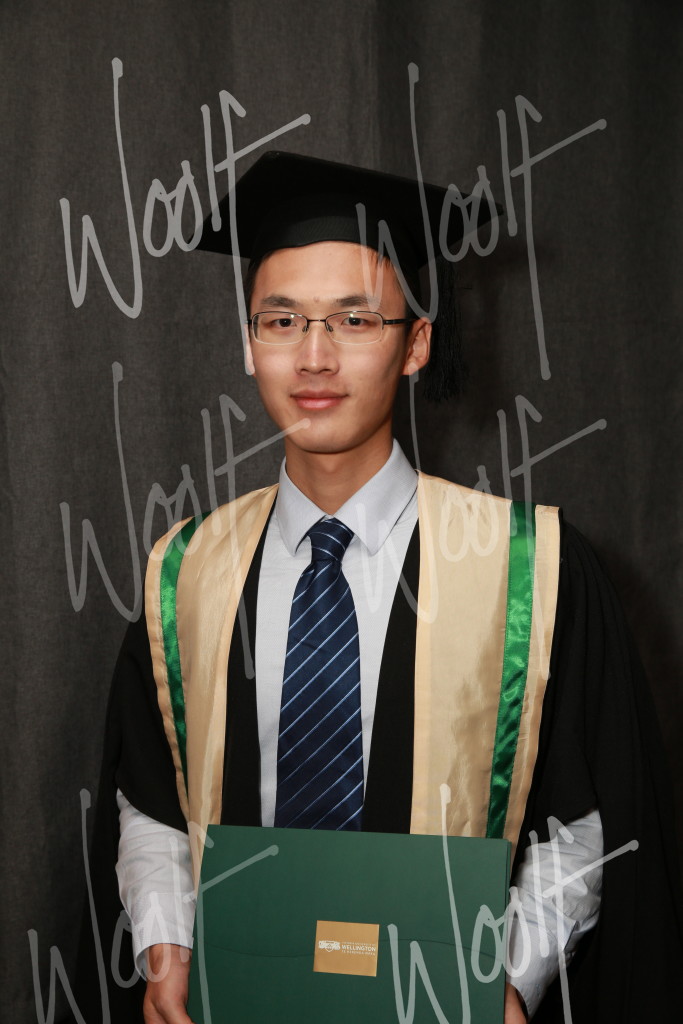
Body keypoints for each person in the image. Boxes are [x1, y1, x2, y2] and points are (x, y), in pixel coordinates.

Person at [80, 153, 682, 1024]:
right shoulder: (186, 573)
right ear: (248, 342)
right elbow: (152, 797)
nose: (313, 356)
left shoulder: (529, 568)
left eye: (354, 319)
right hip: (239, 997)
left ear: (416, 343)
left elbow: (585, 816)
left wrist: (508, 976)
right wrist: (166, 946)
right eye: (281, 320)